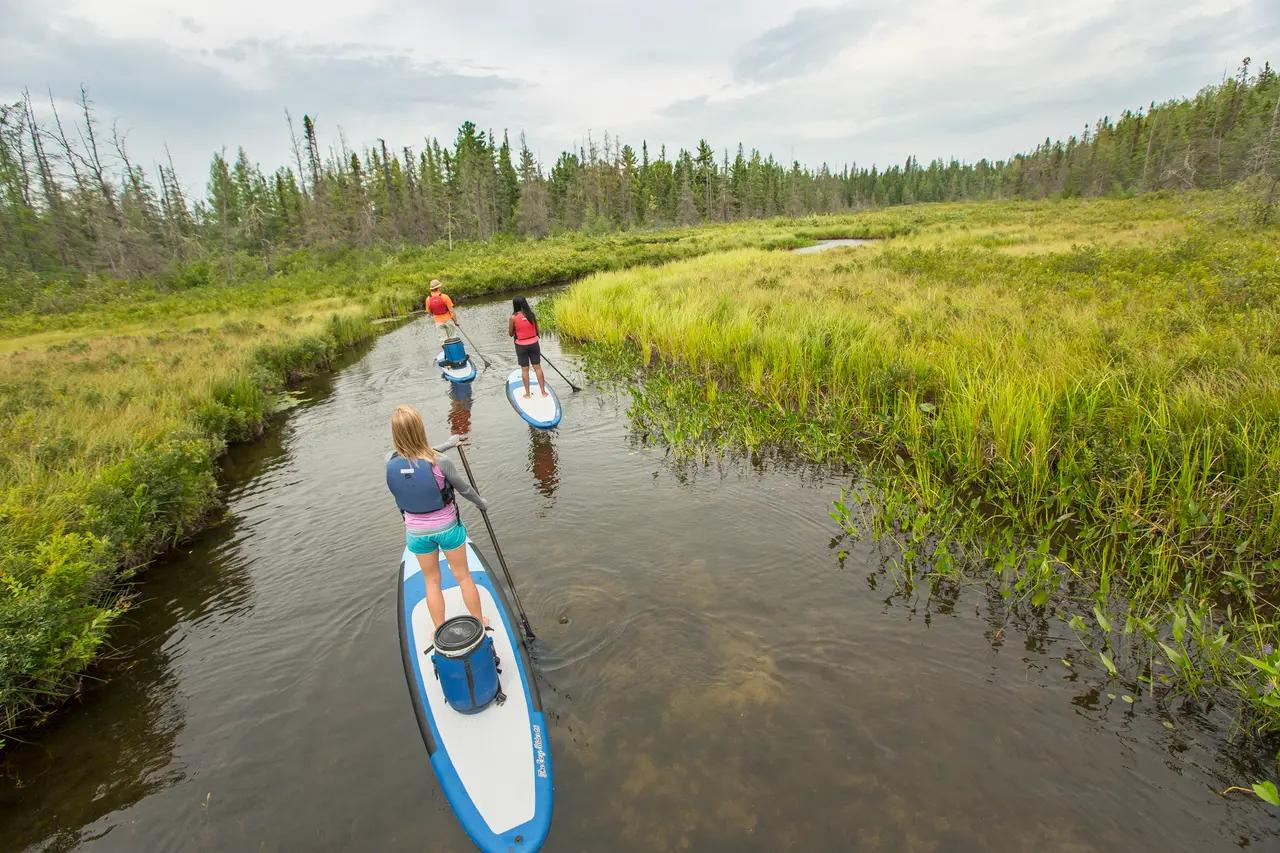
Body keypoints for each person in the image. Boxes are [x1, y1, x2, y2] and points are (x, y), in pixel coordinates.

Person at [386, 404, 488, 627]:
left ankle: (439, 629)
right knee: (462, 576)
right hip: (447, 529)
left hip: (416, 533)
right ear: (420, 430)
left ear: (395, 434)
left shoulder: (389, 461)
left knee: (431, 581)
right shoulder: (441, 462)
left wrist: (448, 444)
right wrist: (481, 503)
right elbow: (464, 490)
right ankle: (479, 620)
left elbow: (415, 455)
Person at [508, 296, 549, 398]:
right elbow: (536, 330)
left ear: (515, 305)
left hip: (521, 346)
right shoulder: (531, 315)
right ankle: (543, 392)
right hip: (534, 344)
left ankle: (527, 394)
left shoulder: (513, 318)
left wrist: (516, 330)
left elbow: (510, 333)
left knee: (525, 369)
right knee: (537, 368)